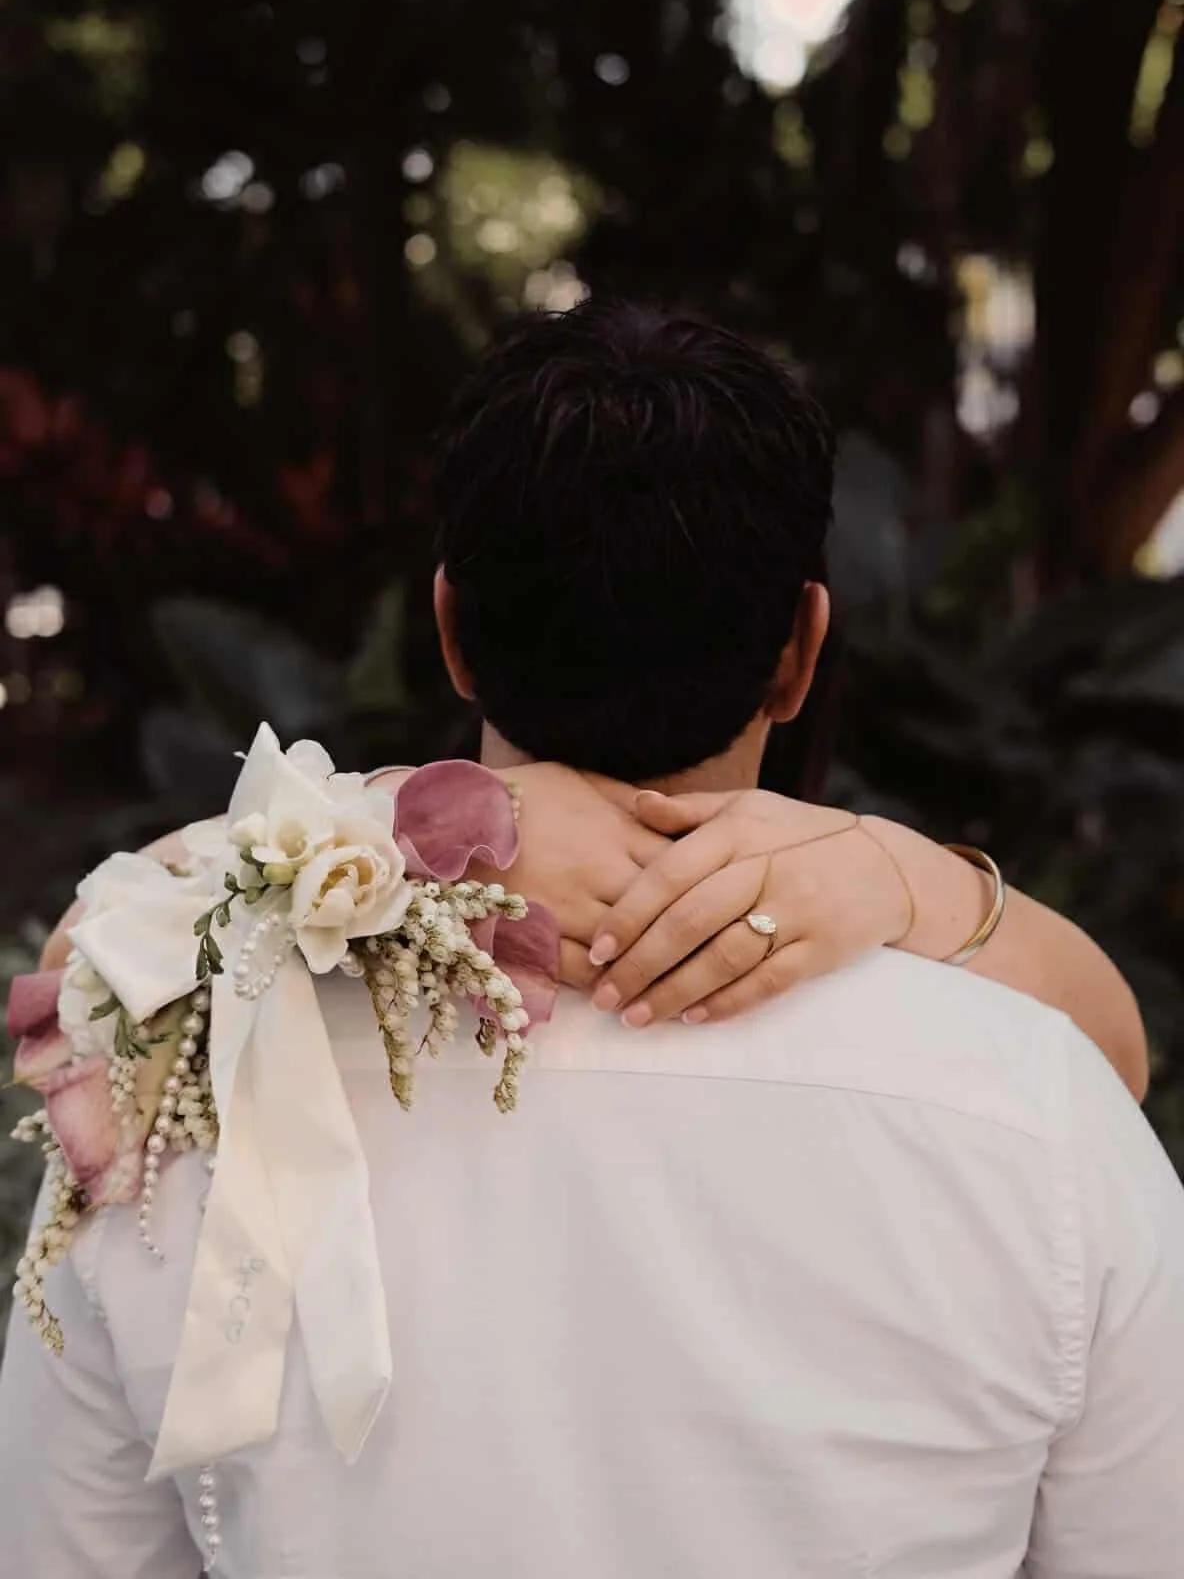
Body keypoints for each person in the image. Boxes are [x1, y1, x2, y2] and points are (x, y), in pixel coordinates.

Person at [2, 301, 1180, 1577]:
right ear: (799, 650)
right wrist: (914, 880)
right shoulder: (1032, 1109)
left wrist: (392, 816)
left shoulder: (176, 1079)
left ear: (451, 631)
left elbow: (67, 1551)